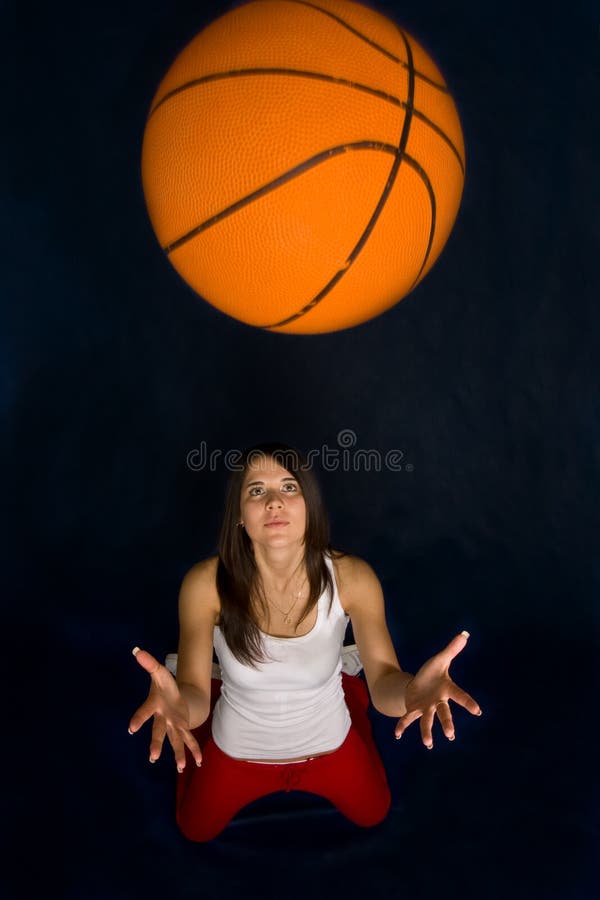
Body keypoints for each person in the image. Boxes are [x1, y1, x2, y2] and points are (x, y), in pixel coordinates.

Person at [129, 442, 482, 841]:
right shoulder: (205, 584)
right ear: (240, 518)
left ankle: (347, 697)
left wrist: (411, 692)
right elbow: (193, 698)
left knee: (375, 812)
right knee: (194, 829)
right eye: (256, 490)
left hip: (329, 745)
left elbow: (383, 682)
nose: (275, 501)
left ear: (309, 508)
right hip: (238, 752)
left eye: (289, 487)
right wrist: (180, 706)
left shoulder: (352, 577)